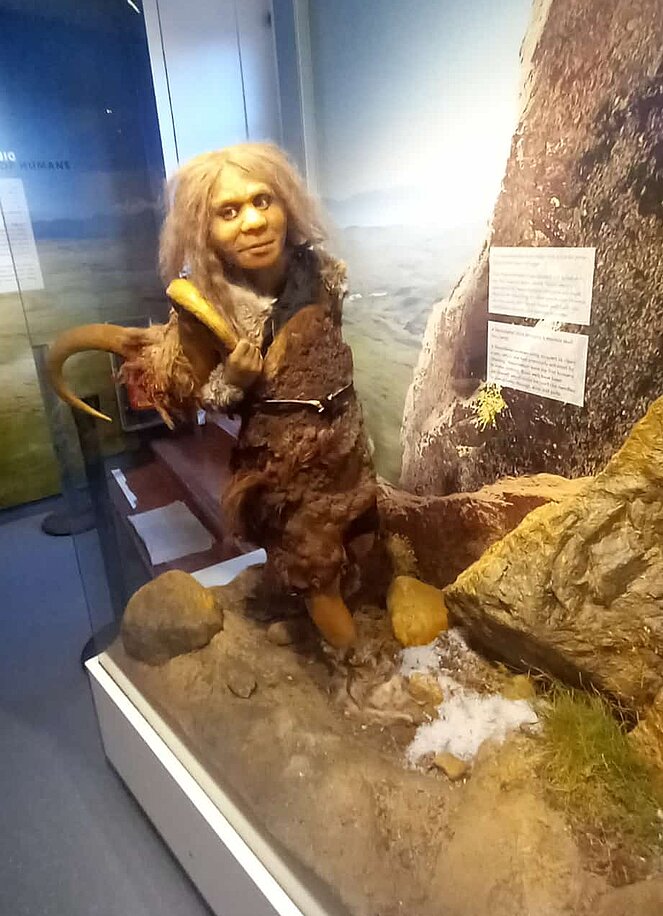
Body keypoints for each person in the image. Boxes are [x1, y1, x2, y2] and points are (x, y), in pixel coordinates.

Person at [47, 143, 379, 648]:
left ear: (286, 203)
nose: (254, 222)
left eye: (262, 200)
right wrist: (236, 380)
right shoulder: (207, 310)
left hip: (345, 443)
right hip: (284, 464)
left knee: (357, 538)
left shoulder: (323, 276)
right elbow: (203, 394)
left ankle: (305, 617)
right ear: (204, 230)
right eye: (229, 211)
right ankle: (357, 666)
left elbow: (328, 349)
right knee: (314, 564)